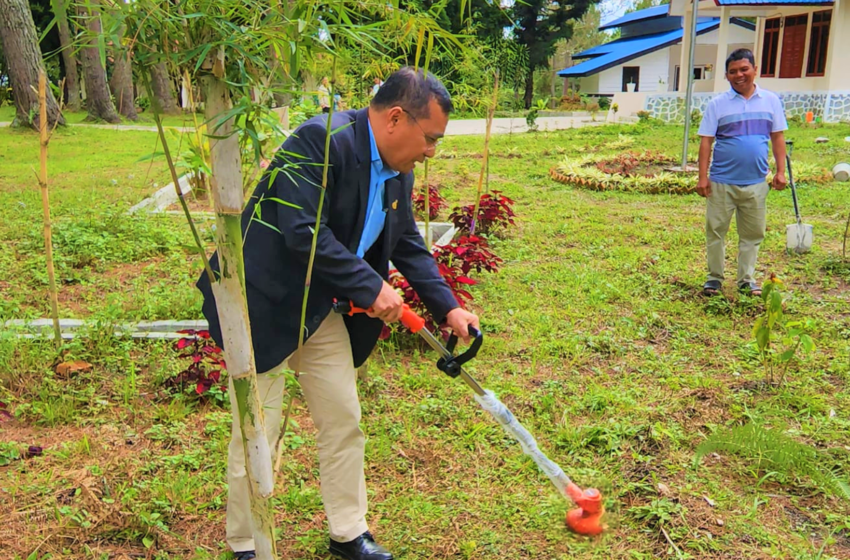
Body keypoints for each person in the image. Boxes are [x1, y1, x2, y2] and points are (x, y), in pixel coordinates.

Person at [196, 67, 480, 560]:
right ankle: (246, 542)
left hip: (317, 304)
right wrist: (372, 287)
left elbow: (407, 243)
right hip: (259, 303)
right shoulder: (318, 140)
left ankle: (348, 533)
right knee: (258, 428)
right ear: (396, 118)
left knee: (343, 418)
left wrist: (448, 308)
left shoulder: (396, 169)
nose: (432, 150)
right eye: (431, 138)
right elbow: (302, 233)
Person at [696, 48, 787, 298]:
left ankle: (746, 280)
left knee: (752, 235)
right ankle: (714, 279)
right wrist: (702, 178)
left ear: (755, 70)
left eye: (744, 69)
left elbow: (777, 137)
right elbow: (706, 142)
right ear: (726, 75)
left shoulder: (771, 101)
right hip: (721, 183)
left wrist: (780, 172)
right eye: (733, 71)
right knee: (715, 232)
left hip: (756, 183)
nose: (739, 75)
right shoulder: (717, 104)